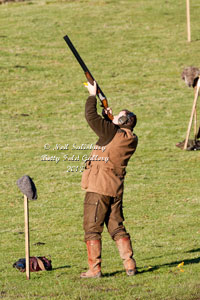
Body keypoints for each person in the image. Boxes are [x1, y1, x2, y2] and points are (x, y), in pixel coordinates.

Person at [80, 81, 138, 278]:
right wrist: (110, 119)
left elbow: (90, 117)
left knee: (91, 228)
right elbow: (109, 135)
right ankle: (129, 265)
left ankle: (94, 269)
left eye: (119, 116)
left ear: (122, 122)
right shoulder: (130, 137)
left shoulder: (111, 132)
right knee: (116, 226)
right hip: (115, 189)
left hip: (99, 188)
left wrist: (91, 95)